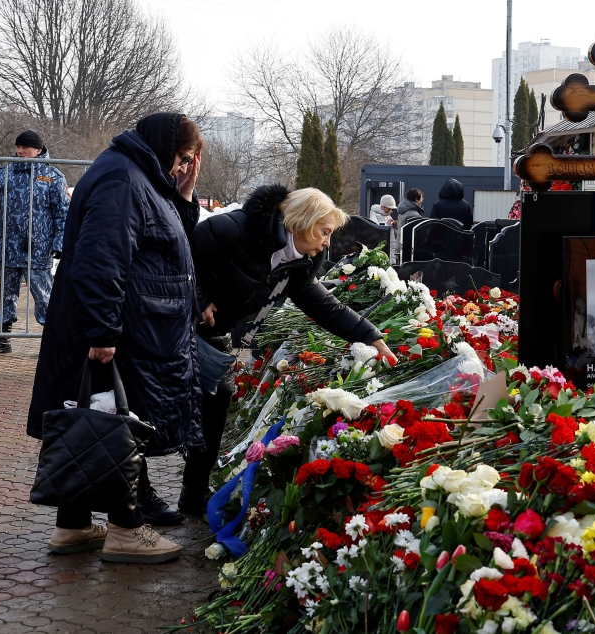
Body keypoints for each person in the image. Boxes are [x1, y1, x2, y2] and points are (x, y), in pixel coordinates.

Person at [27, 112, 204, 563]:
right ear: (165, 148)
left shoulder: (136, 175)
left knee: (93, 418)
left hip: (120, 325)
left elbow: (163, 240)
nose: (186, 167)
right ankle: (125, 529)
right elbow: (101, 258)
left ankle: (73, 524)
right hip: (115, 329)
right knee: (114, 425)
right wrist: (104, 330)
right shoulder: (124, 178)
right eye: (183, 158)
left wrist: (183, 196)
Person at [178, 185, 399, 514]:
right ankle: (135, 506)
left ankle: (193, 491)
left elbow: (325, 306)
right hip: (177, 320)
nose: (327, 242)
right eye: (324, 232)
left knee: (218, 398)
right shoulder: (237, 228)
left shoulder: (297, 263)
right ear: (304, 222)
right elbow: (184, 251)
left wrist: (371, 336)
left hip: (214, 329)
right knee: (161, 403)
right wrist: (199, 295)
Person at [0, 130, 70, 354]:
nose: (19, 151)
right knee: (5, 294)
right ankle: (3, 338)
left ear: (38, 150)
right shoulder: (3, 174)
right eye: (18, 147)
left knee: (44, 296)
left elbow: (62, 213)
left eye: (25, 148)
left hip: (37, 248)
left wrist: (59, 244)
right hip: (6, 247)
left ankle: (54, 342)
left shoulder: (53, 176)